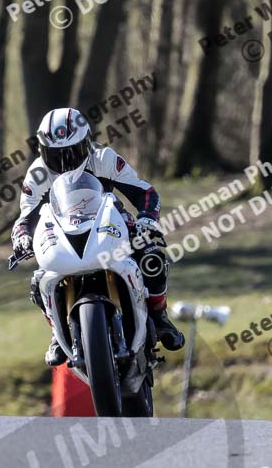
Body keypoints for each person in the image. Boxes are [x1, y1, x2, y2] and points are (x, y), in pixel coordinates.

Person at [11, 107, 185, 366]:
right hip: (62, 235)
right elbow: (25, 218)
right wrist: (22, 238)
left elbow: (145, 193)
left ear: (86, 144)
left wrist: (147, 220)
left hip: (110, 225)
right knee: (39, 282)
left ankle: (159, 317)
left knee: (152, 257)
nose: (65, 162)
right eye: (55, 155)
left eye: (71, 152)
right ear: (42, 151)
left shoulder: (104, 158)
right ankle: (58, 335)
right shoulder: (37, 175)